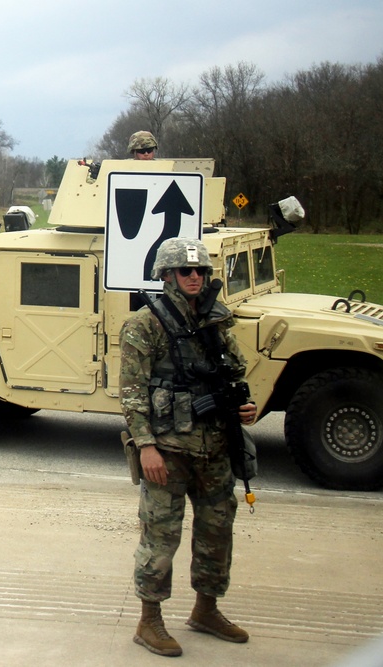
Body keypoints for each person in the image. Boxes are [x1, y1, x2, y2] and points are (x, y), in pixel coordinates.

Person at [119, 237, 258, 657]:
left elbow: (233, 372)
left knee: (217, 531)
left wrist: (244, 408)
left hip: (215, 446)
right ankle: (149, 620)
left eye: (201, 271)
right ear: (167, 276)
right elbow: (131, 393)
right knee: (161, 537)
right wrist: (145, 446)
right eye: (186, 271)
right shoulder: (145, 325)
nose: (195, 277)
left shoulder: (214, 320)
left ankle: (206, 609)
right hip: (168, 450)